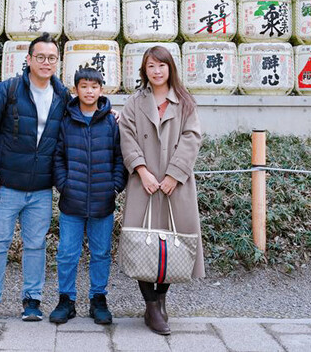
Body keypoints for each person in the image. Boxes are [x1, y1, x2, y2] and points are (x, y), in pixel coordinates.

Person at [0, 33, 70, 322]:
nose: (46, 62)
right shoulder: (7, 91)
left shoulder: (62, 95)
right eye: (40, 57)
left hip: (41, 188)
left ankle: (32, 300)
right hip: (6, 187)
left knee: (36, 245)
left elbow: (86, 113)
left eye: (52, 58)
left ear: (57, 62)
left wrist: (110, 113)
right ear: (28, 60)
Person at [117, 45, 205, 336]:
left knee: (175, 242)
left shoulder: (184, 102)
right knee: (139, 240)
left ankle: (160, 300)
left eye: (161, 66)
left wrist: (173, 175)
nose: (156, 71)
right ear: (144, 70)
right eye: (151, 66)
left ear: (170, 69)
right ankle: (152, 305)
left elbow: (192, 138)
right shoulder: (134, 103)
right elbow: (126, 137)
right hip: (143, 182)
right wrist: (141, 170)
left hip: (175, 185)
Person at [49, 68, 128, 326]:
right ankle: (66, 300)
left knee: (101, 253)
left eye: (94, 86)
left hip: (103, 202)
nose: (89, 91)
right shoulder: (66, 120)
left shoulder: (111, 122)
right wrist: (64, 185)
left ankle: (98, 300)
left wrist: (114, 187)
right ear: (76, 90)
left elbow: (121, 158)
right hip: (71, 201)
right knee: (67, 253)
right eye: (84, 86)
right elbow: (58, 157)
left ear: (102, 90)